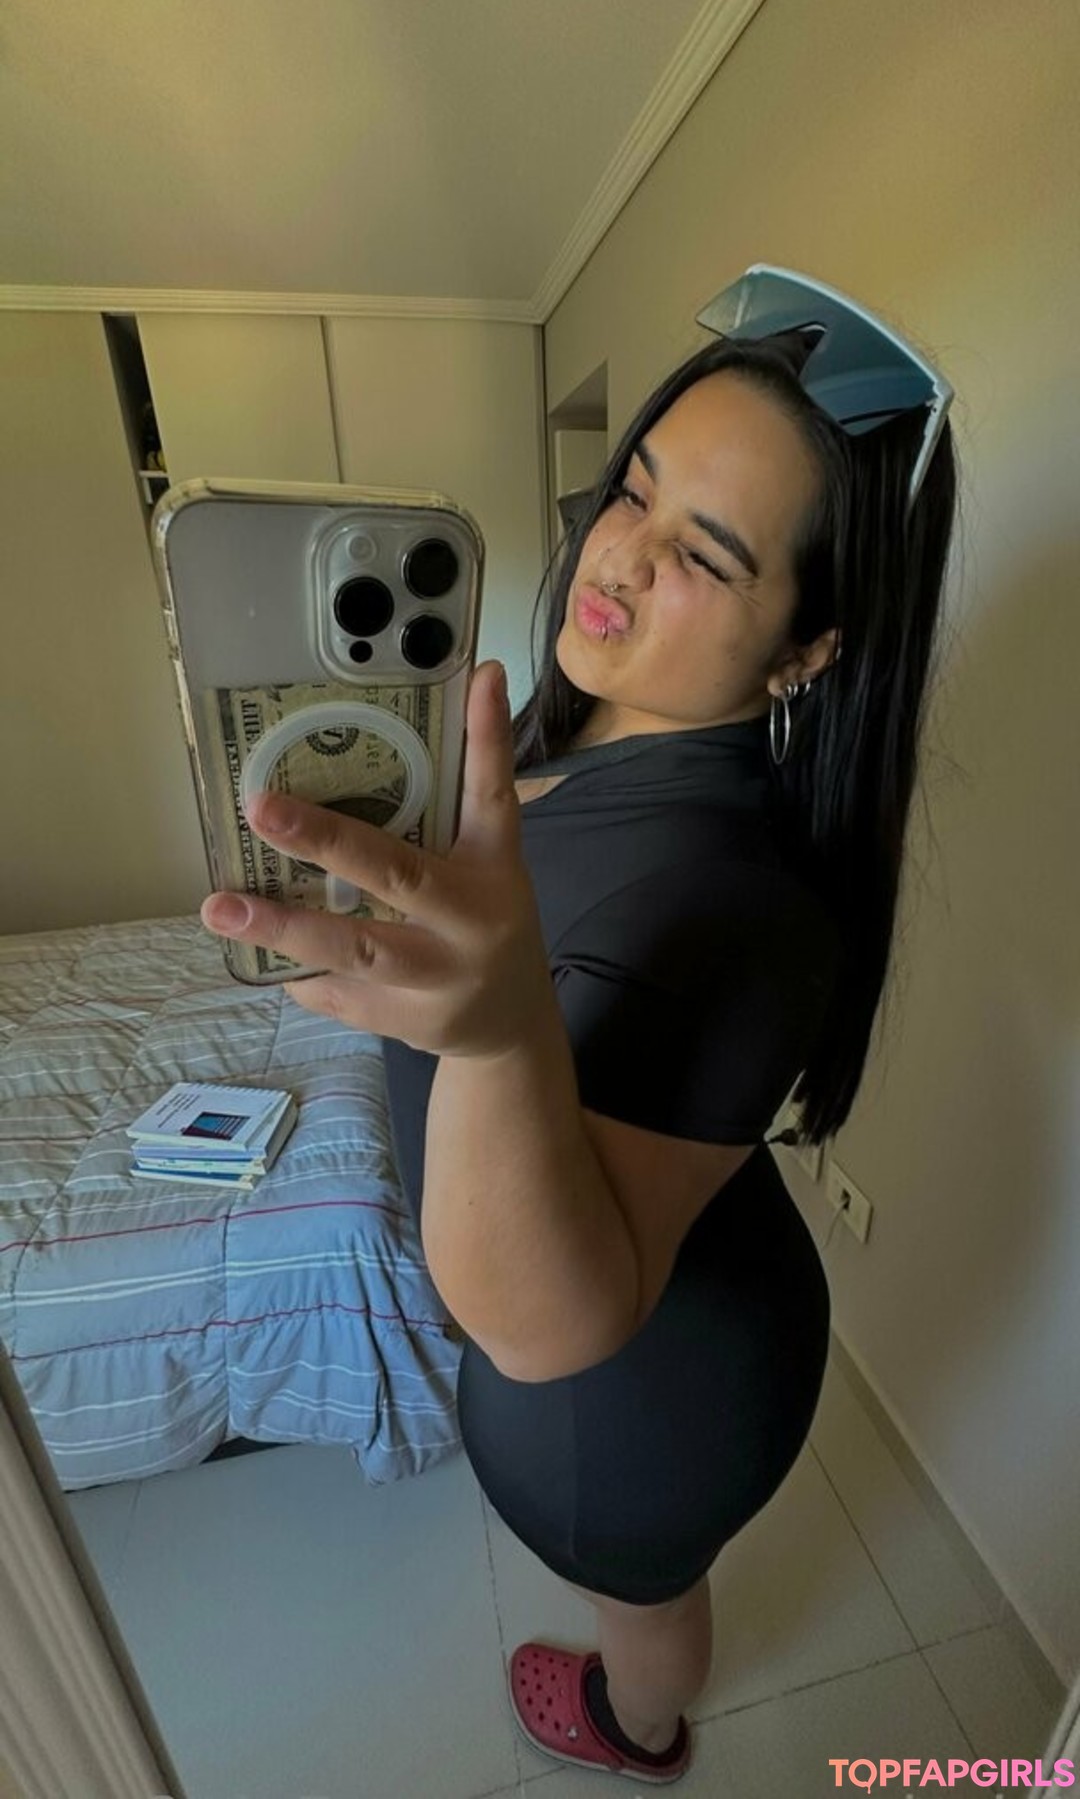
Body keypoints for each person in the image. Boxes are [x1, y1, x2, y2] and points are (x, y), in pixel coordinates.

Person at [201, 307, 959, 1785]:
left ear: (807, 651)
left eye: (707, 556)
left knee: (643, 1605)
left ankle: (642, 1727)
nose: (619, 557)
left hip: (643, 1402)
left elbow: (548, 1333)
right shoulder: (576, 733)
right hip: (657, 1277)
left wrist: (496, 1038)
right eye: (636, 491)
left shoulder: (742, 907)